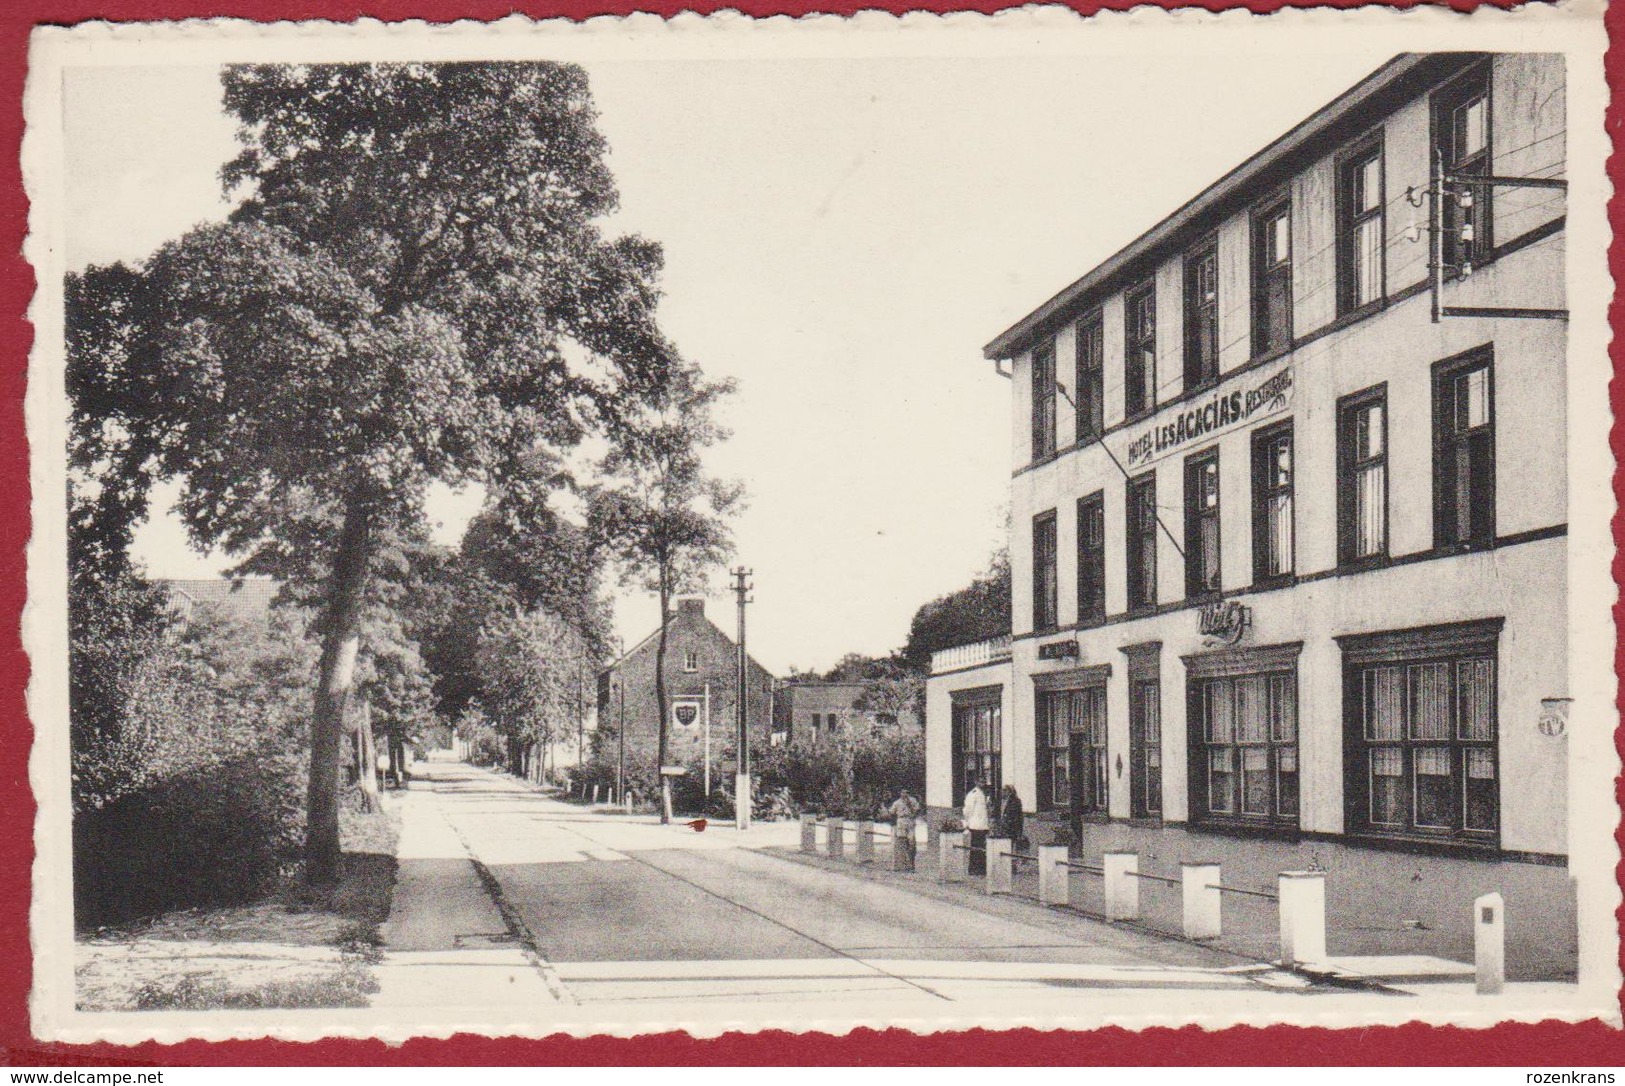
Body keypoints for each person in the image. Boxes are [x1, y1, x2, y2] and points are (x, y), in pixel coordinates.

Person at [963, 777, 990, 876]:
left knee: (981, 848)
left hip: (983, 825)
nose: (983, 783)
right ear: (976, 782)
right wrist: (968, 822)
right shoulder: (973, 794)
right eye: (981, 781)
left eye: (984, 781)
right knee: (976, 847)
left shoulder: (984, 793)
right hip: (976, 825)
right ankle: (974, 869)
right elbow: (967, 810)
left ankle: (981, 868)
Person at [887, 788, 921, 867]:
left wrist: (914, 815)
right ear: (900, 793)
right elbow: (892, 812)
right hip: (901, 821)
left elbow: (918, 809)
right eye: (902, 792)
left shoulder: (913, 800)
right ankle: (904, 861)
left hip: (910, 820)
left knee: (911, 841)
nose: (904, 794)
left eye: (906, 792)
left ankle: (912, 860)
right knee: (902, 840)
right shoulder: (897, 802)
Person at [998, 784, 1025, 852]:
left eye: (1005, 790)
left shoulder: (1015, 801)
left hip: (1010, 828)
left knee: (1009, 845)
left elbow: (1018, 816)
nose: (1002, 792)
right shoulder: (1000, 801)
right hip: (1001, 827)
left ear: (1009, 791)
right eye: (1002, 790)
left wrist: (1018, 830)